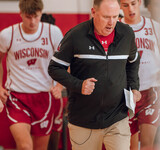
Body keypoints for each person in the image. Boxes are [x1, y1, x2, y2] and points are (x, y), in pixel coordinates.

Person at [48, 0, 141, 150]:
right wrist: (79, 85)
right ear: (93, 12)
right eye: (106, 17)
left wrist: (134, 87)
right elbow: (54, 68)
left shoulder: (127, 33)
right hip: (83, 122)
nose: (111, 23)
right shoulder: (75, 35)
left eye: (115, 16)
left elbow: (133, 62)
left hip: (117, 118)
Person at [0, 0, 63, 149]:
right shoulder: (7, 35)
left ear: (41, 13)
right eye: (28, 17)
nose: (33, 21)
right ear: (21, 14)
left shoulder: (53, 32)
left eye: (36, 16)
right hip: (17, 97)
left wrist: (60, 85)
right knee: (25, 146)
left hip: (43, 97)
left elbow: (66, 61)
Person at [120, 0, 160, 150]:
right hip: (127, 93)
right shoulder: (117, 29)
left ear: (139, 2)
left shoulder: (155, 27)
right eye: (125, 5)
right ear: (120, 6)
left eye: (133, 3)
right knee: (130, 146)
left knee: (146, 143)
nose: (130, 8)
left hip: (151, 91)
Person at [40, 12, 64, 150]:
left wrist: (60, 87)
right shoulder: (30, 44)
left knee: (56, 126)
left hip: (54, 91)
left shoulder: (58, 43)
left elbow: (68, 66)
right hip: (35, 92)